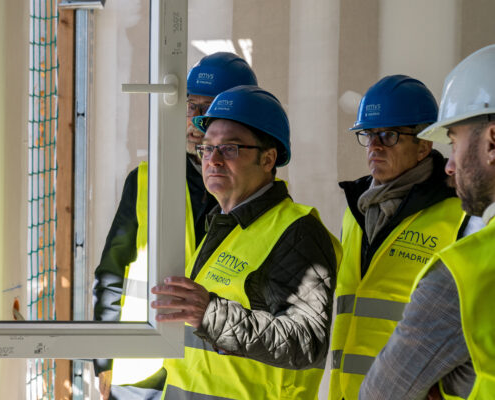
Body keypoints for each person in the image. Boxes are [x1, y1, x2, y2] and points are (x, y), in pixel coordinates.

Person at [150, 85, 341, 399]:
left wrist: (209, 313)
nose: (213, 160)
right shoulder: (225, 225)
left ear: (268, 159)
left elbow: (307, 341)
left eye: (230, 149)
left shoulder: (298, 232)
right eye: (207, 148)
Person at [92, 52, 258, 400]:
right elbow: (112, 272)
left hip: (212, 374)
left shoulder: (259, 199)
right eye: (189, 107)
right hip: (142, 369)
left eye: (208, 110)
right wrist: (102, 357)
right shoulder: (146, 181)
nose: (194, 121)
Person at [360, 44, 495, 400]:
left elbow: (382, 394)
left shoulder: (468, 272)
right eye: (368, 135)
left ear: (492, 141)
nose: (449, 165)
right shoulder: (353, 213)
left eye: (453, 144)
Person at [328, 75, 468, 400]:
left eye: (388, 135)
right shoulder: (355, 209)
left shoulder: (458, 212)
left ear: (424, 145)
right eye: (367, 134)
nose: (374, 146)